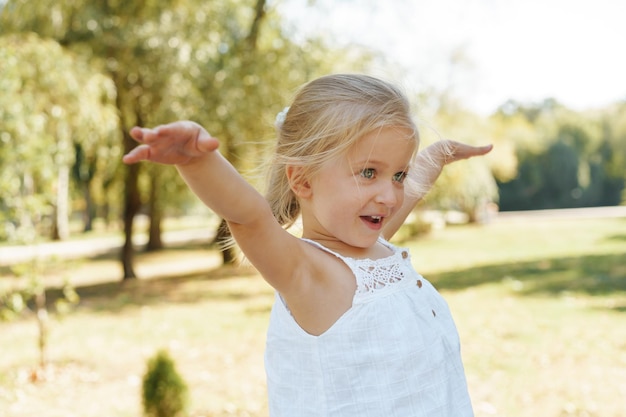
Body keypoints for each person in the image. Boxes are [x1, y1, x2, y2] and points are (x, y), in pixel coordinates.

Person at [123, 73, 492, 417]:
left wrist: (436, 156)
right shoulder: (310, 275)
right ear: (302, 180)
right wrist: (198, 163)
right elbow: (249, 216)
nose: (390, 196)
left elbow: (411, 189)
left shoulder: (371, 249)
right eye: (369, 172)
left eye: (399, 175)